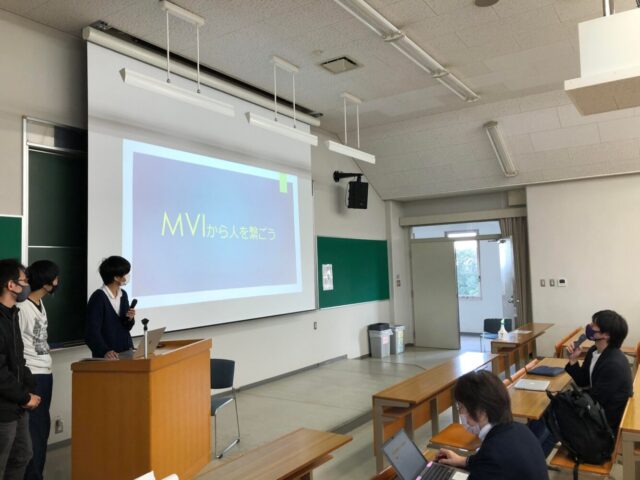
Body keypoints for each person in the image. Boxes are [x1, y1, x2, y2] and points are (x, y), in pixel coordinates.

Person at [438, 370, 549, 480]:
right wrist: (463, 460)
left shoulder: (493, 454)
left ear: (480, 412)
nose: (460, 413)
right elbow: (485, 459)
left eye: (461, 407)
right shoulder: (520, 429)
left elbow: (490, 461)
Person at [17, 260, 59, 480]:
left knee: (42, 429)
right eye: (55, 277)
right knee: (34, 431)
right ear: (46, 281)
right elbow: (16, 345)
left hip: (45, 371)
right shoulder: (22, 308)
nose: (58, 281)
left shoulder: (40, 304)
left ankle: (37, 474)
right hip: (32, 374)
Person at [0, 259, 40, 479]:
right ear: (11, 285)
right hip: (4, 408)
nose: (27, 286)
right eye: (24, 281)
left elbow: (18, 360)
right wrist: (24, 397)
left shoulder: (13, 313)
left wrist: (29, 390)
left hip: (17, 404)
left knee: (22, 455)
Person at [565, 309, 632, 431]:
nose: (589, 326)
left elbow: (596, 400)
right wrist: (573, 359)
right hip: (596, 409)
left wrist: (569, 399)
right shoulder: (594, 351)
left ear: (606, 334)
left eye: (594, 325)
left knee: (554, 416)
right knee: (554, 410)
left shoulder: (613, 365)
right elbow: (583, 381)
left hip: (604, 423)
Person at [85, 256, 136, 359]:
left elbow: (125, 327)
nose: (128, 276)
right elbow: (91, 332)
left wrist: (130, 318)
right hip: (108, 357)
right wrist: (105, 351)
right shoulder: (98, 297)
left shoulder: (123, 294)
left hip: (126, 351)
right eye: (126, 273)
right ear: (116, 277)